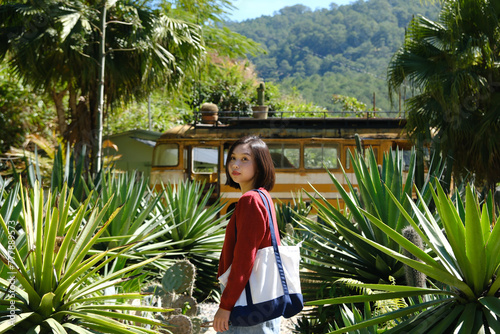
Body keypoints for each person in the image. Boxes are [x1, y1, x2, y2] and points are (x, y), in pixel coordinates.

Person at [213, 135, 281, 333]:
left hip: (245, 297)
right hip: (262, 295)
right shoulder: (264, 197)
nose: (235, 164)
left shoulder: (250, 201)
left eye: (245, 159)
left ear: (259, 165)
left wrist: (225, 305)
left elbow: (244, 259)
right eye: (233, 158)